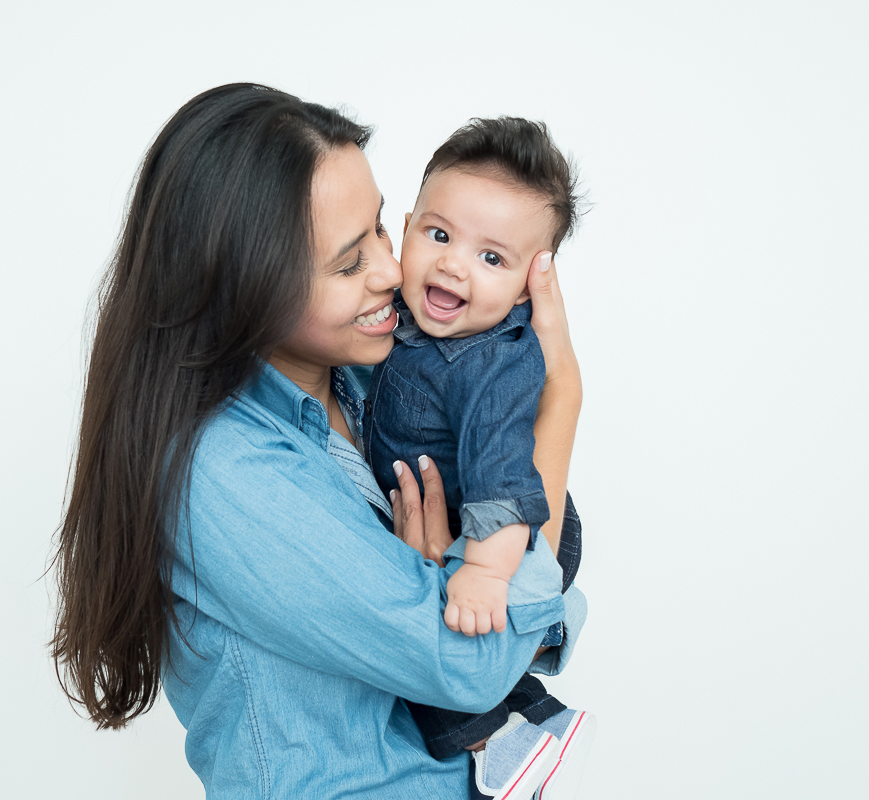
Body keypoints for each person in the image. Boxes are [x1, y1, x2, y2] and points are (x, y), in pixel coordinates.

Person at [49, 83, 586, 800]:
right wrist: (561, 408)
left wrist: (448, 570)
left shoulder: (370, 378)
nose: (393, 272)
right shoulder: (223, 473)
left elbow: (517, 574)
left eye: (382, 231)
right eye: (347, 262)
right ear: (244, 287)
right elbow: (472, 664)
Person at [364, 117, 595, 799]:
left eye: (492, 259)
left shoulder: (493, 362)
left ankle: (503, 740)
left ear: (529, 286)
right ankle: (532, 723)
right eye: (438, 235)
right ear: (404, 229)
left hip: (506, 527)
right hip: (466, 521)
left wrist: (486, 574)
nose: (454, 264)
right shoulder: (407, 317)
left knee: (434, 645)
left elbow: (498, 471)